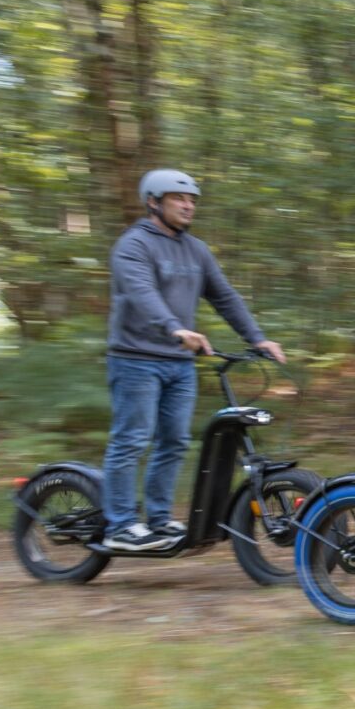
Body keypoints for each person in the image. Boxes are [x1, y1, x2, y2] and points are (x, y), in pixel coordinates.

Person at [102, 169, 286, 551]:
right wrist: (175, 328)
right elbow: (141, 294)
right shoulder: (133, 246)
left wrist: (257, 338)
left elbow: (225, 297)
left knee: (174, 442)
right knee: (132, 440)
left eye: (192, 200)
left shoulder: (195, 250)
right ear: (153, 202)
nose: (188, 205)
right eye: (178, 198)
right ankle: (119, 526)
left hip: (179, 363)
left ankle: (158, 519)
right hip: (135, 359)